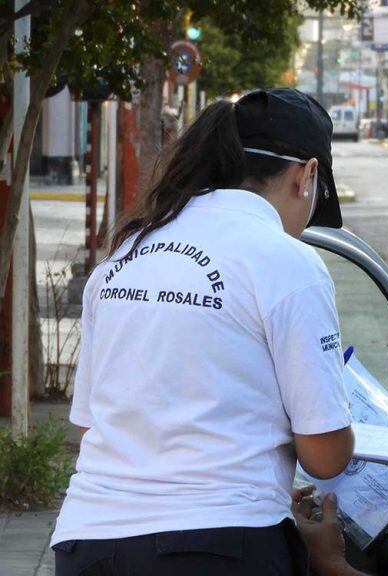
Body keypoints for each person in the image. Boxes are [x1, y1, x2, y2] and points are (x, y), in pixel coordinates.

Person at [49, 88, 355, 575]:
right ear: (307, 175)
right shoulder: (288, 260)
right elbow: (324, 456)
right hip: (220, 545)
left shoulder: (127, 251)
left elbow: (92, 424)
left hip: (88, 540)